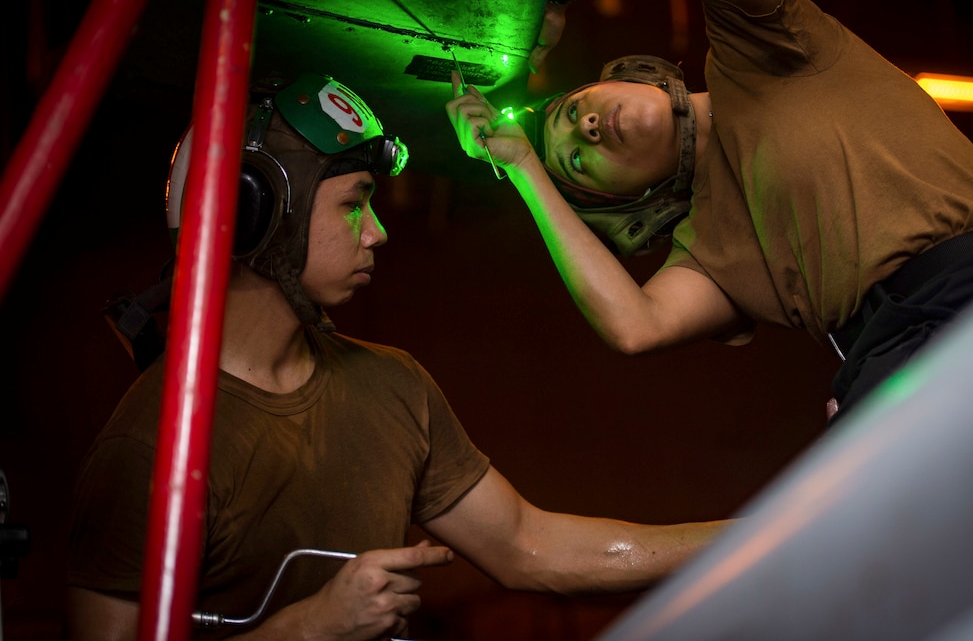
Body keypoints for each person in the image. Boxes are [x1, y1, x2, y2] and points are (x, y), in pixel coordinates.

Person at [65, 72, 727, 641]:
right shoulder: (150, 446)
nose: (378, 233)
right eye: (355, 205)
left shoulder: (392, 385)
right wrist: (308, 628)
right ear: (251, 213)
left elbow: (530, 544)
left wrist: (762, 534)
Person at [446, 0, 973, 424]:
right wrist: (524, 166)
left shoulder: (765, 46)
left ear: (620, 78)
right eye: (578, 159)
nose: (588, 128)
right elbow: (636, 327)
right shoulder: (712, 251)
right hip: (885, 362)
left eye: (574, 110)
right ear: (630, 200)